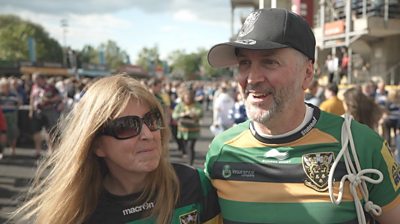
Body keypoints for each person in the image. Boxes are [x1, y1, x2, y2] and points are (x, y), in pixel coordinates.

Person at [205, 8, 400, 224]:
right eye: (244, 63)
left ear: (307, 74)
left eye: (269, 62)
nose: (252, 78)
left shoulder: (361, 145)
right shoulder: (221, 151)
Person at [9, 74, 220, 224]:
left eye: (152, 119)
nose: (148, 134)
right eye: (126, 126)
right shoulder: (78, 213)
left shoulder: (194, 184)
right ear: (97, 145)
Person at [172, 88, 203, 165]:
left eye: (189, 98)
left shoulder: (196, 104)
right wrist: (182, 114)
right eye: (186, 98)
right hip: (183, 130)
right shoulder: (180, 105)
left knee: (190, 147)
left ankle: (190, 164)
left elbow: (200, 112)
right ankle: (188, 158)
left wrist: (193, 113)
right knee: (186, 147)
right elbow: (174, 115)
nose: (187, 99)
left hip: (193, 130)